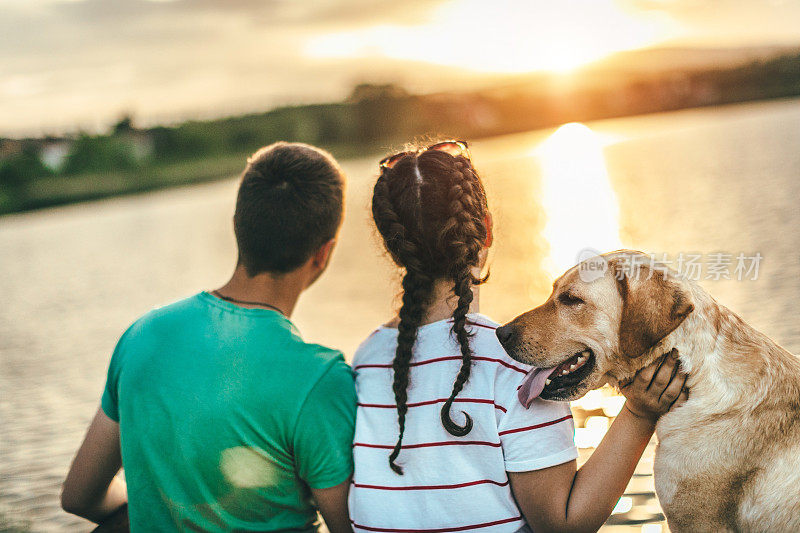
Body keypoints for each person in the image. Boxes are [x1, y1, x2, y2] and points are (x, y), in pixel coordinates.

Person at [348, 140, 688, 532]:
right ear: (486, 229)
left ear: (395, 248)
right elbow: (563, 525)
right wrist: (638, 414)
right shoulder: (515, 360)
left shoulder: (367, 357)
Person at [61, 142, 357, 533]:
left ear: (237, 226)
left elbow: (79, 496)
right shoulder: (319, 379)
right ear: (324, 253)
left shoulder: (142, 337)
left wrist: (153, 507)